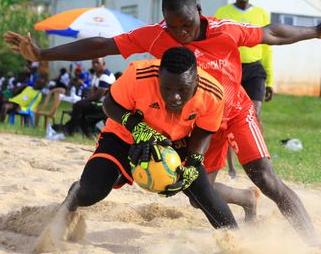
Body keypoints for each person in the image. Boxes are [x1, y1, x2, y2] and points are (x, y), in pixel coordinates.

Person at [4, 0, 321, 245]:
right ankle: (243, 199)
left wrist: (315, 30)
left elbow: (271, 33)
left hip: (233, 111)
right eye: (174, 26)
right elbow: (103, 45)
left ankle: (313, 244)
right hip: (197, 121)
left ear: (199, 10)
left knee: (267, 178)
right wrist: (42, 53)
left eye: (188, 24)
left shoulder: (226, 29)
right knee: (199, 196)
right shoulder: (156, 35)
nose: (181, 33)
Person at [59, 47, 237, 240]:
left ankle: (237, 243)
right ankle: (63, 212)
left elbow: (204, 130)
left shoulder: (213, 93)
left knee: (203, 193)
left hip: (175, 142)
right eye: (166, 88)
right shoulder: (138, 74)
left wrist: (193, 164)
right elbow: (109, 104)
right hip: (125, 135)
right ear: (159, 76)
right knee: (91, 192)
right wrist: (138, 129)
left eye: (182, 90)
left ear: (196, 80)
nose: (174, 97)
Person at [215, 0, 273, 178]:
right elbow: (217, 43)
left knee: (255, 113)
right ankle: (231, 167)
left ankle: (261, 159)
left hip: (255, 69)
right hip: (231, 69)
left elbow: (267, 49)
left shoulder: (262, 15)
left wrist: (271, 81)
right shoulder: (223, 13)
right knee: (229, 116)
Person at [62, 58, 115, 138]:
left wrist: (83, 101)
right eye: (93, 62)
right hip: (99, 103)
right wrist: (85, 100)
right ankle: (88, 134)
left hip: (106, 105)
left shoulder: (106, 76)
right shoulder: (96, 75)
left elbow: (98, 96)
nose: (95, 64)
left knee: (78, 106)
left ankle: (69, 130)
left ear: (103, 63)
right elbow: (93, 92)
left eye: (97, 62)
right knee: (79, 109)